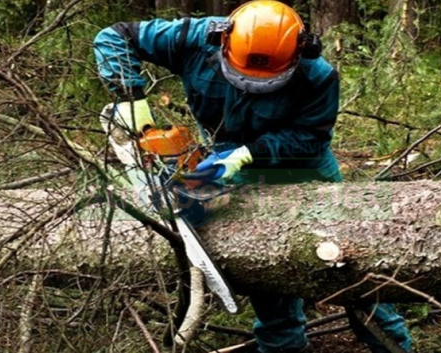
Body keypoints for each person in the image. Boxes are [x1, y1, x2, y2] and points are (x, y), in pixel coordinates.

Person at [93, 1, 412, 352]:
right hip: (223, 158)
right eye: (243, 74)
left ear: (298, 54)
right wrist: (129, 97)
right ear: (223, 42)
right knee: (262, 267)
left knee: (351, 266)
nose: (251, 85)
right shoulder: (192, 38)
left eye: (266, 82)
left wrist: (249, 153)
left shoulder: (318, 75)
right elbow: (115, 36)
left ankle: (391, 344)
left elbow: (311, 137)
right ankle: (282, 344)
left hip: (304, 166)